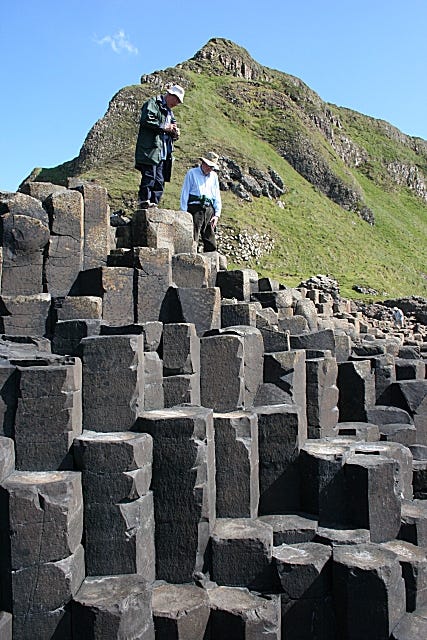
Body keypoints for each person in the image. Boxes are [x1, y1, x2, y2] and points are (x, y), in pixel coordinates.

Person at [135, 84, 185, 208]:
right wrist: (164, 126)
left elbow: (170, 129)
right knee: (149, 176)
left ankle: (154, 203)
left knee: (159, 180)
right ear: (170, 95)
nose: (177, 103)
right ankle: (144, 201)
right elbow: (146, 119)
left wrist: (174, 132)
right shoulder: (153, 103)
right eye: (177, 100)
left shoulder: (170, 113)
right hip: (151, 149)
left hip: (163, 152)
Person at [180, 151, 222, 252]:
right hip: (195, 208)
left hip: (209, 209)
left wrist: (217, 214)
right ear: (203, 163)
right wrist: (183, 212)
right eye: (208, 166)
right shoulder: (192, 173)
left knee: (210, 237)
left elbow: (216, 195)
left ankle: (212, 260)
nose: (210, 169)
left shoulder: (214, 176)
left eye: (212, 167)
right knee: (194, 235)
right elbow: (185, 193)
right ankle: (190, 257)